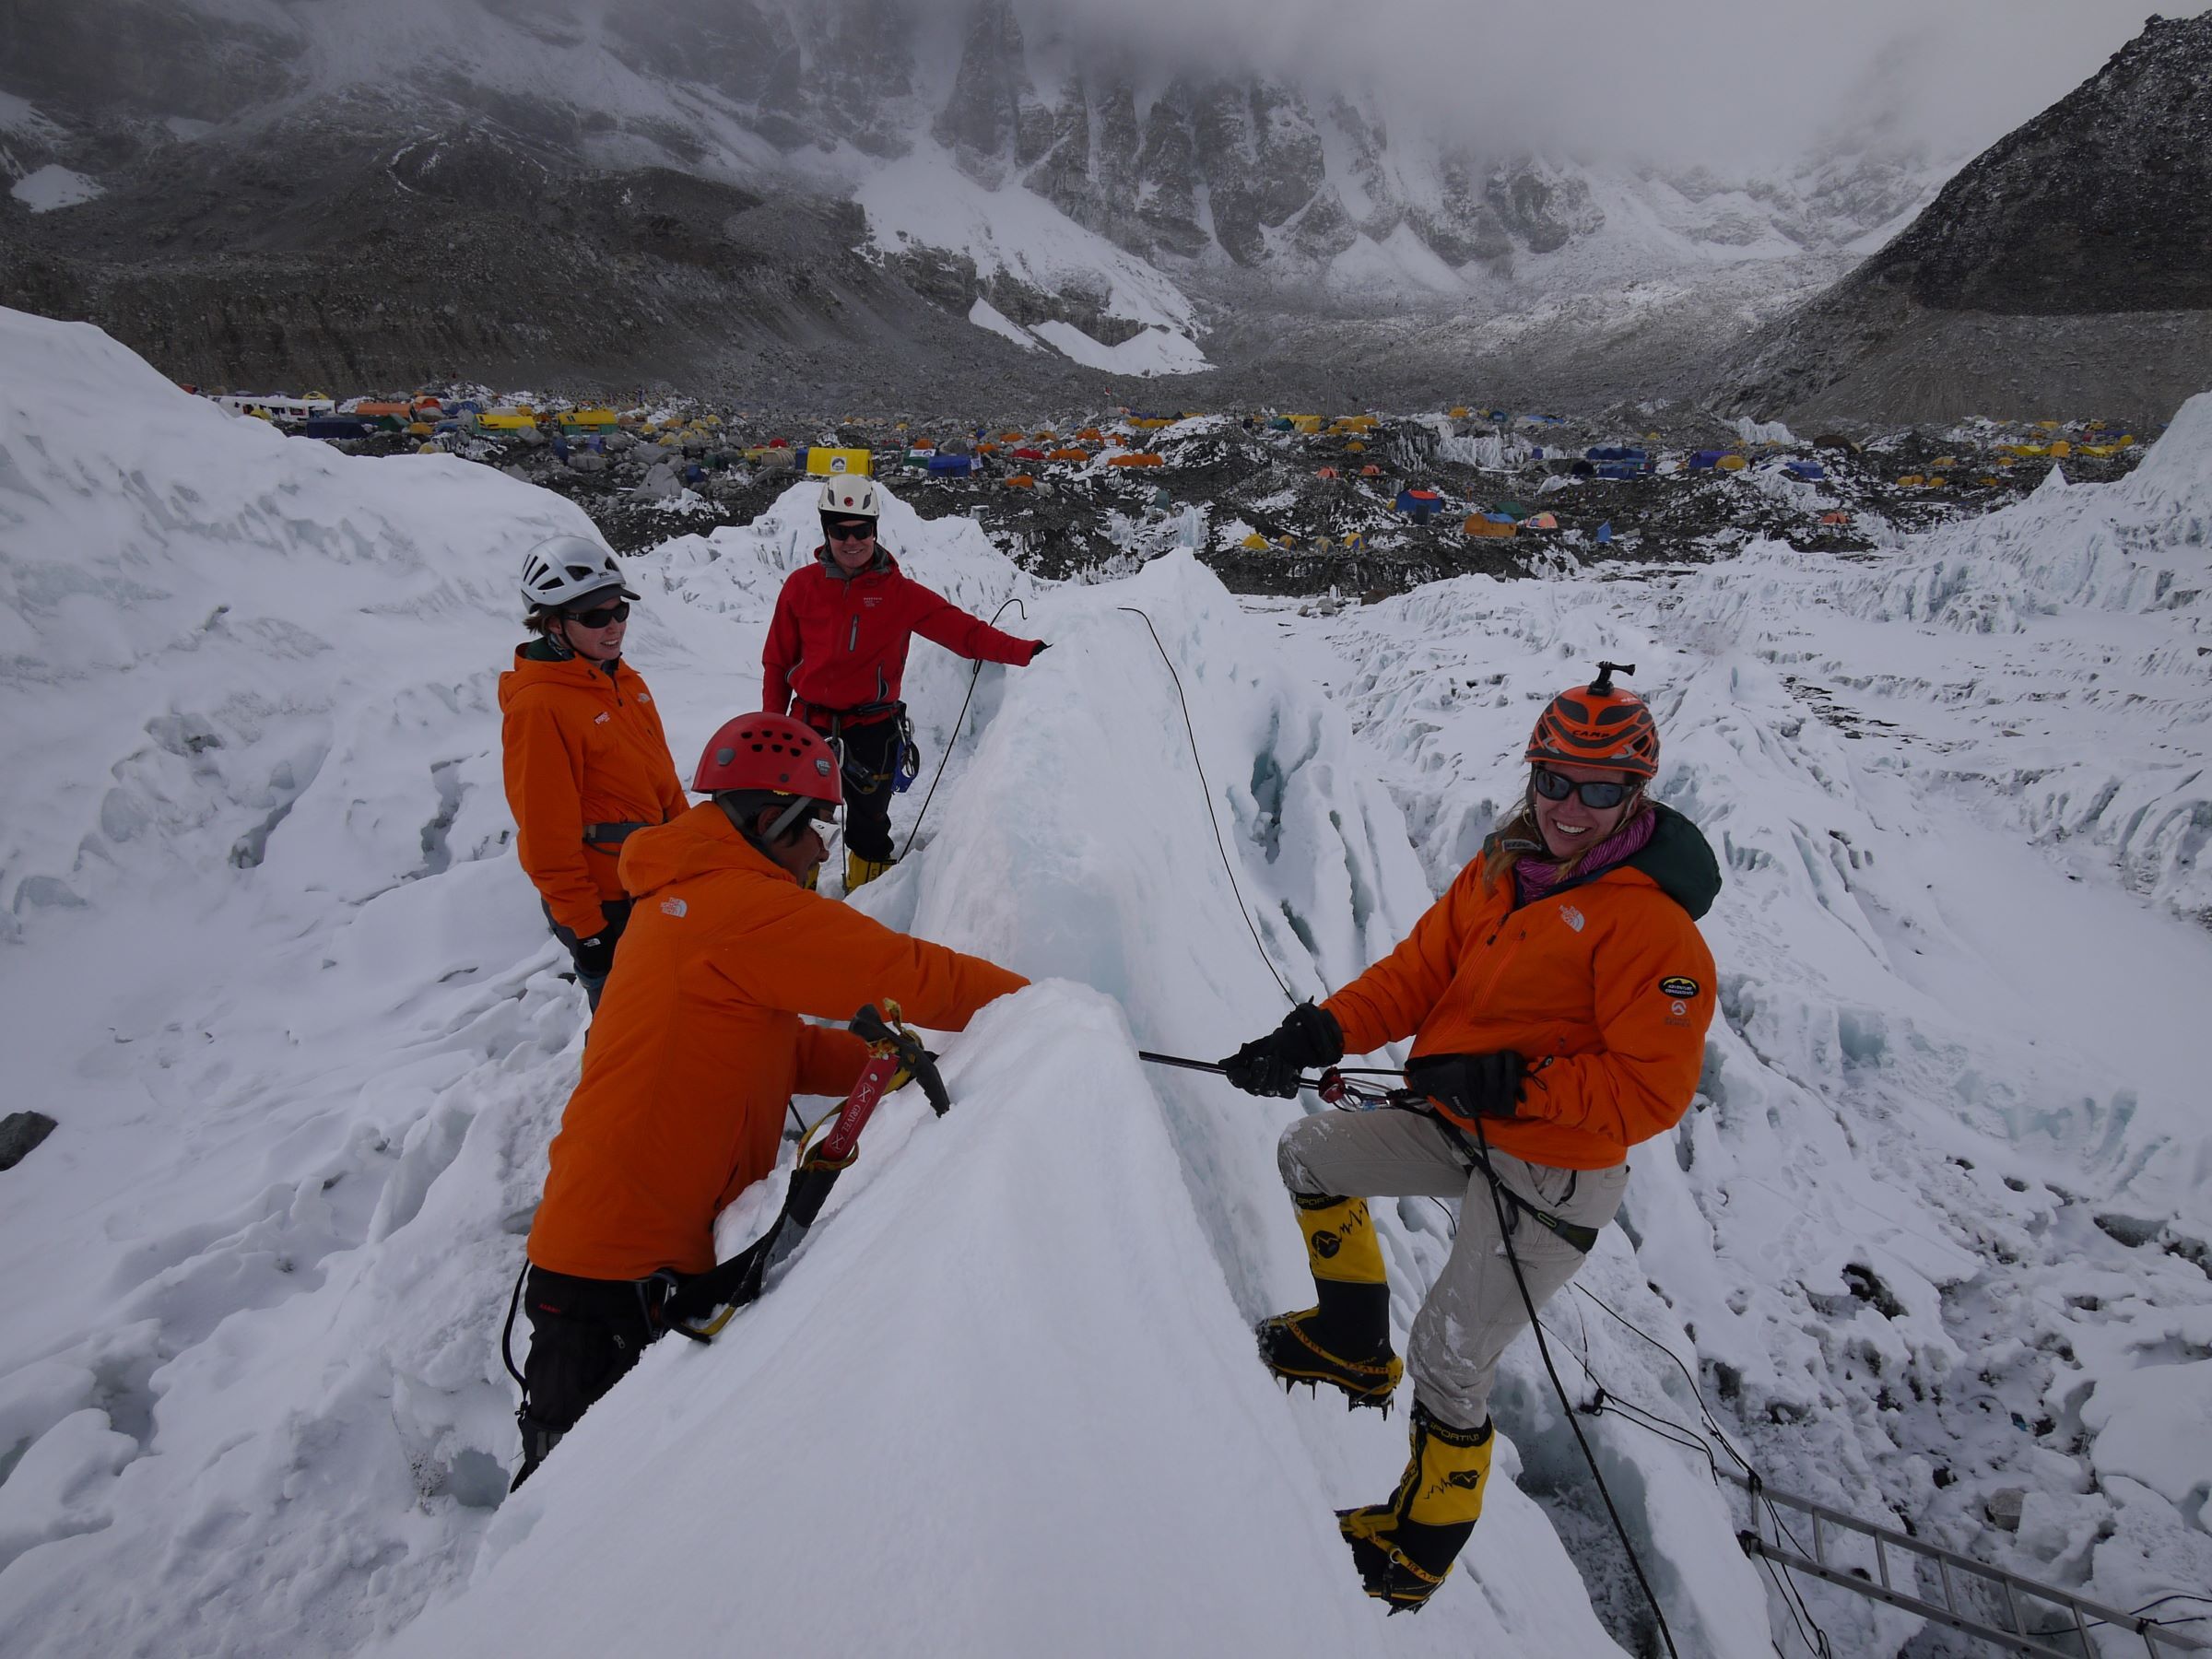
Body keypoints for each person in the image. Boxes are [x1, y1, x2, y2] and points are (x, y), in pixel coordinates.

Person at [1218, 662, 1720, 1612]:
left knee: (1452, 1354)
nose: (1571, 806)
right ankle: (1348, 1344)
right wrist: (1318, 1032)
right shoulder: (1501, 870)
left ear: (1636, 793)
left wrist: (1516, 1081)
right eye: (1555, 780)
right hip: (1460, 1123)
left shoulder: (1657, 935)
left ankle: (1418, 1548)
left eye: (1600, 788)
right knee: (1311, 1156)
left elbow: (1648, 1094)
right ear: (1534, 773)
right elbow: (1416, 974)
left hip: (1553, 1173)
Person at [511, 712, 1028, 1488]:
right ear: (768, 820)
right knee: (573, 1536)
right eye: (816, 825)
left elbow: (771, 1053)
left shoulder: (686, 897)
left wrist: (893, 1065)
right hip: (615, 1280)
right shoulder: (737, 907)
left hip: (613, 1258)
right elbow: (915, 973)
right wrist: (1044, 1004)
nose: (825, 847)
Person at [760, 477, 1047, 892]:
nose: (852, 540)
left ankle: (868, 900)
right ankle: (790, 901)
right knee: (794, 820)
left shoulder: (899, 594)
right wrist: (774, 726)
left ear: (875, 531)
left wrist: (1026, 651)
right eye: (841, 530)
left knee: (870, 824)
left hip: (870, 729)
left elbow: (964, 633)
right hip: (808, 724)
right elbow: (777, 661)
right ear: (826, 531)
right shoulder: (801, 588)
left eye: (861, 530)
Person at [500, 535, 686, 1010]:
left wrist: (690, 850)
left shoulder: (623, 679)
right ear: (553, 625)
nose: (614, 626)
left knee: (675, 1005)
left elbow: (661, 779)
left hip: (652, 880)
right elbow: (545, 835)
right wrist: (587, 928)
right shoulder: (539, 708)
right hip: (606, 902)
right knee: (626, 1025)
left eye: (619, 610)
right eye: (594, 617)